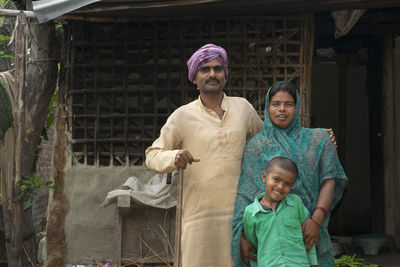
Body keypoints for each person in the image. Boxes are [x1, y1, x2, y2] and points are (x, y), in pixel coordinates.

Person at [145, 43, 263, 267]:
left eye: (218, 69)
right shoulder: (182, 116)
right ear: (194, 78)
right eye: (205, 69)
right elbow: (152, 155)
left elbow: (268, 144)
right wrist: (174, 157)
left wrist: (316, 136)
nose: (212, 74)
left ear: (225, 76)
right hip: (198, 218)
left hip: (240, 216)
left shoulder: (243, 109)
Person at [232, 81, 348, 267]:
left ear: (297, 107)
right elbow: (245, 196)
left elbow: (329, 181)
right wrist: (243, 235)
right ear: (267, 107)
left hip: (310, 230)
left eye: (289, 104)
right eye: (276, 104)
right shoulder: (256, 146)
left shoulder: (318, 139)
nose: (282, 110)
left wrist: (315, 222)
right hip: (269, 236)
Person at [243, 156, 318, 267]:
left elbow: (308, 239)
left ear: (292, 186)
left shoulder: (296, 203)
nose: (280, 187)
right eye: (276, 179)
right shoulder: (250, 212)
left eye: (287, 184)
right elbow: (253, 247)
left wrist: (314, 264)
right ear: (264, 177)